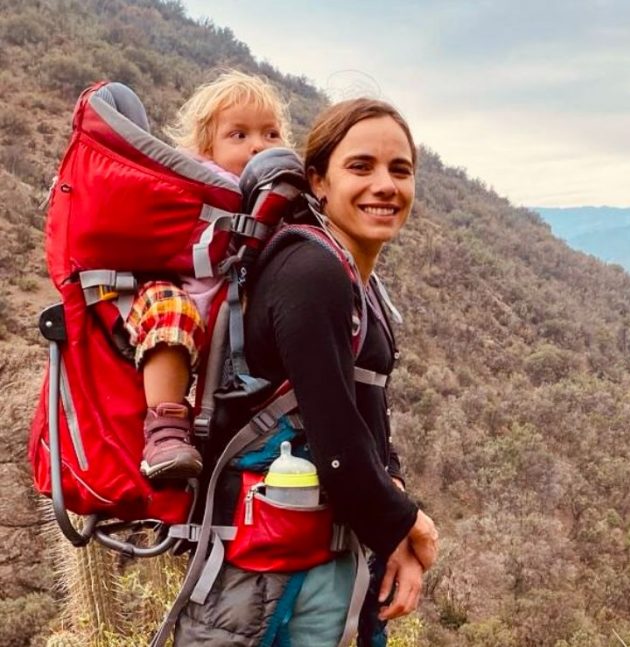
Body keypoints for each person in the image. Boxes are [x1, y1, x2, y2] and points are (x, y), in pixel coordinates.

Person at [174, 98, 438, 646]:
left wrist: (392, 515)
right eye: (360, 167)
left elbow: (365, 421)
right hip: (269, 586)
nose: (385, 185)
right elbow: (337, 441)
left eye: (400, 169)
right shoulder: (311, 271)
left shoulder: (354, 280)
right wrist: (410, 524)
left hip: (316, 566)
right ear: (317, 180)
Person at [126, 70, 289, 480]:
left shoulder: (280, 195)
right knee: (171, 310)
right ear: (205, 148)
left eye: (271, 134)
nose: (258, 146)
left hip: (228, 319)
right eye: (239, 136)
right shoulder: (202, 186)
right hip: (175, 298)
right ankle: (165, 428)